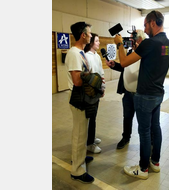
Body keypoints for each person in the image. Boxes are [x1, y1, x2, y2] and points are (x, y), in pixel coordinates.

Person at [113, 11, 169, 180]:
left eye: (146, 25)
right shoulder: (168, 43)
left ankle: (143, 168)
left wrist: (119, 45)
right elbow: (152, 60)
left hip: (145, 95)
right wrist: (141, 47)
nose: (144, 30)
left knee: (145, 133)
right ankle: (155, 162)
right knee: (156, 128)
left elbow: (124, 62)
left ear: (153, 23)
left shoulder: (150, 43)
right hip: (158, 94)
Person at [65, 21, 95, 183]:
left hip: (84, 96)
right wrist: (94, 81)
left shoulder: (81, 52)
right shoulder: (75, 53)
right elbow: (77, 81)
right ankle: (77, 170)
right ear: (83, 35)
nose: (91, 35)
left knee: (82, 131)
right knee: (79, 133)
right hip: (78, 97)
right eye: (89, 33)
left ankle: (80, 157)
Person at [105, 30, 146, 149]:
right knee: (127, 117)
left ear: (140, 40)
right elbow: (125, 66)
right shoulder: (129, 53)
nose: (131, 42)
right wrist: (115, 65)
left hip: (140, 94)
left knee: (142, 121)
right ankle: (125, 137)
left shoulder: (144, 55)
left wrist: (120, 45)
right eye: (131, 39)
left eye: (134, 39)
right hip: (128, 93)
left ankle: (145, 142)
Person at [84, 33, 105, 153]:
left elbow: (101, 71)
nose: (99, 43)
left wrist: (103, 87)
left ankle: (91, 137)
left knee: (94, 116)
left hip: (97, 90)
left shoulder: (97, 56)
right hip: (90, 91)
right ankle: (89, 143)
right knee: (90, 117)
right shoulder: (86, 56)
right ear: (91, 43)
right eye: (97, 41)